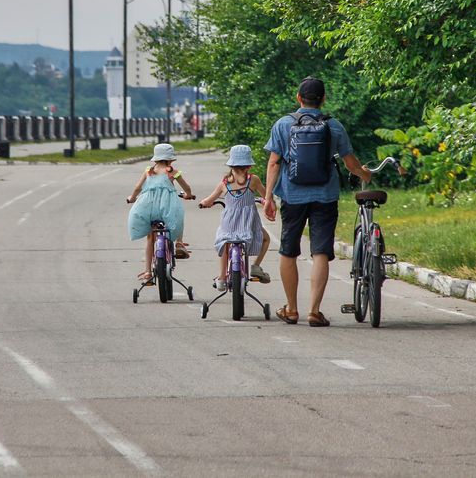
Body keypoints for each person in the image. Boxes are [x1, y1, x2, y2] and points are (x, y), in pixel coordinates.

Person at [263, 77, 372, 327]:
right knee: (320, 250)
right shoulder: (334, 126)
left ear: (298, 98)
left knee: (288, 250)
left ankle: (291, 309)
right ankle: (314, 311)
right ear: (323, 99)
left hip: (292, 195)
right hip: (325, 196)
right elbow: (350, 163)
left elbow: (273, 163)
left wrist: (268, 197)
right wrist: (365, 175)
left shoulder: (283, 124)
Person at [198, 145, 271, 290]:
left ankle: (222, 277)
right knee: (266, 238)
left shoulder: (224, 183)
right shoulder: (253, 180)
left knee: (226, 243)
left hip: (229, 223)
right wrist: (265, 202)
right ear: (249, 166)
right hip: (249, 223)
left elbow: (209, 199)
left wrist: (204, 203)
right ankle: (256, 266)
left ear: (231, 164)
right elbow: (266, 196)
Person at [126, 143, 195, 283]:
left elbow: (137, 187)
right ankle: (179, 243)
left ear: (155, 159)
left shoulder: (148, 171)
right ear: (170, 159)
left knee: (151, 238)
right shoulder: (172, 172)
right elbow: (186, 187)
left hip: (148, 207)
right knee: (177, 216)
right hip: (167, 206)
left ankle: (147, 271)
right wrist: (188, 194)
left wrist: (132, 198)